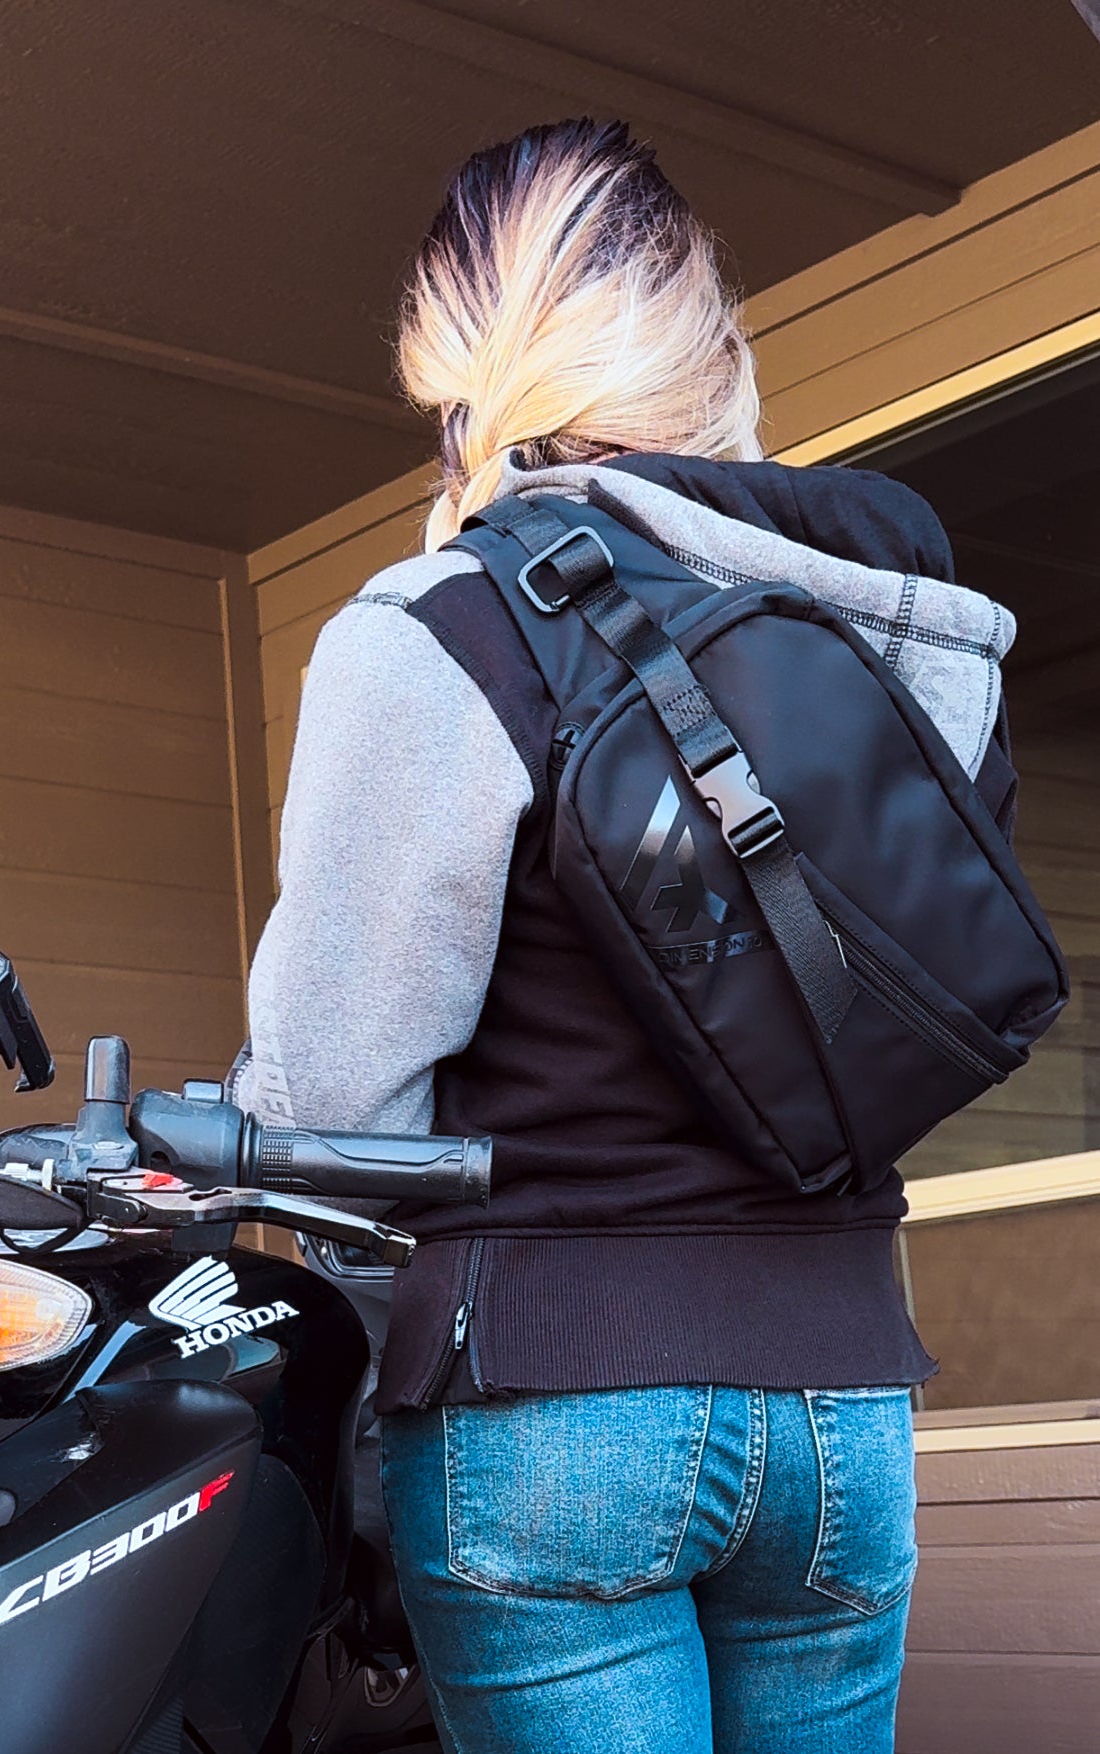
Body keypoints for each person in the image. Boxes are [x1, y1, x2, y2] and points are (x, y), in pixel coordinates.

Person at [232, 119, 1019, 1754]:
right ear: (711, 357)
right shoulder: (890, 629)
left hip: (554, 1395)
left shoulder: (444, 630)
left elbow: (334, 1104)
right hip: (844, 1399)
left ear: (465, 380)